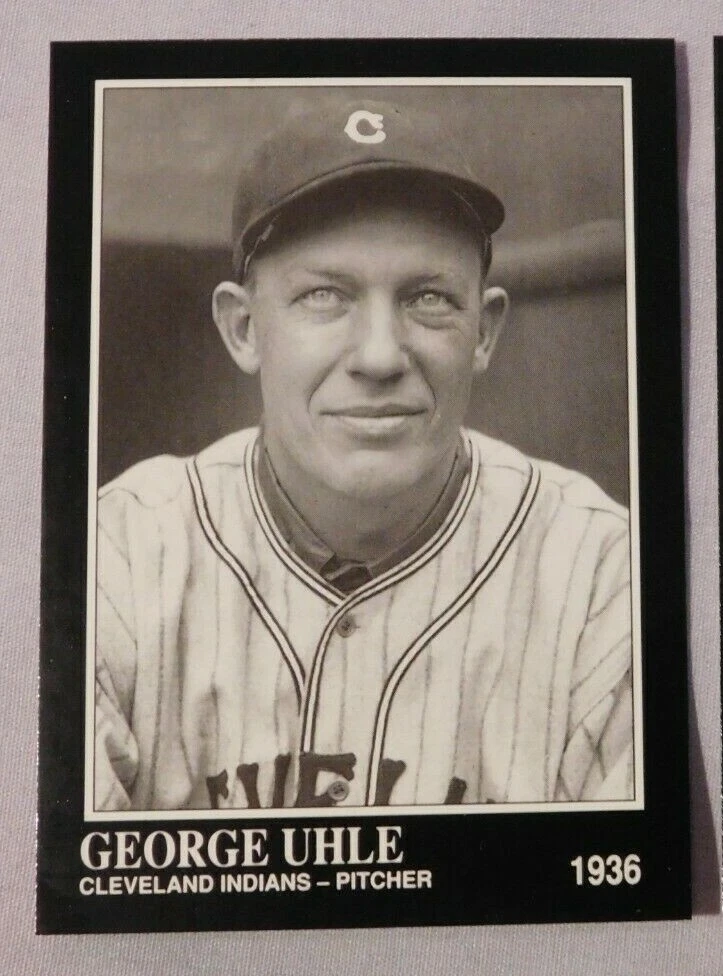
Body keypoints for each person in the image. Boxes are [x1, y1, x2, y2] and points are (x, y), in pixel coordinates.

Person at [95, 98, 633, 811]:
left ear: (483, 332)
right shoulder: (119, 556)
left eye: (428, 299)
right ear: (243, 328)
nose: (380, 356)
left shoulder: (604, 576)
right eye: (325, 295)